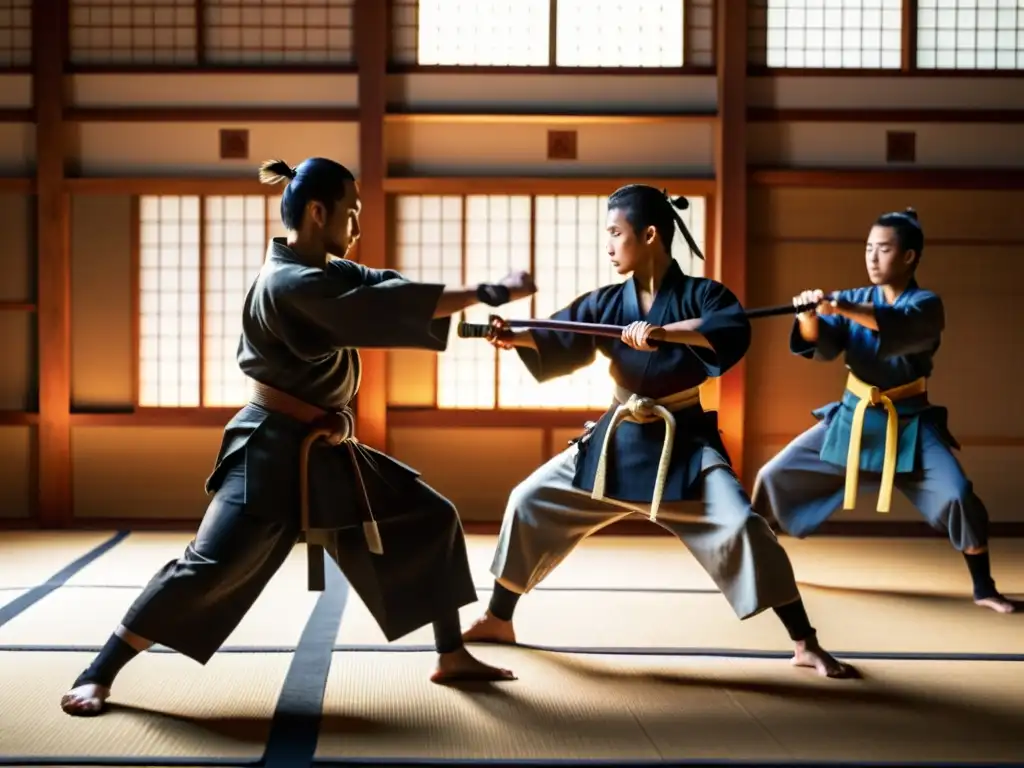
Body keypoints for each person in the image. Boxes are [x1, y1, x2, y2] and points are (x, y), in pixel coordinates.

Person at [61, 156, 534, 717]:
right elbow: (378, 307)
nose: (357, 227)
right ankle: (99, 671)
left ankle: (450, 653)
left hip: (326, 449)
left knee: (428, 517)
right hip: (269, 448)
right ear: (317, 212)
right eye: (351, 213)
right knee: (209, 566)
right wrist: (488, 290)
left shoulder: (326, 270)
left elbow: (387, 287)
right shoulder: (287, 281)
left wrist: (466, 310)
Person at [461, 184, 857, 678]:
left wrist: (667, 333)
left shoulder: (705, 295)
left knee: (744, 528)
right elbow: (562, 335)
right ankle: (499, 618)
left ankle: (805, 642)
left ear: (649, 234)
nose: (608, 245)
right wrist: (513, 336)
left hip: (683, 443)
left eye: (615, 233)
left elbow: (726, 331)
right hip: (615, 439)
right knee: (529, 499)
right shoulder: (607, 301)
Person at [751, 208, 1015, 615]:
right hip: (853, 419)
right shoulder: (852, 298)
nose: (872, 257)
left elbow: (893, 326)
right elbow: (822, 347)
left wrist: (838, 307)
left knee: (958, 494)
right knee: (772, 476)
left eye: (884, 249)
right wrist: (808, 319)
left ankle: (985, 587)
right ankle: (758, 562)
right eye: (869, 248)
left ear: (909, 257)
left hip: (909, 422)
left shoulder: (926, 304)